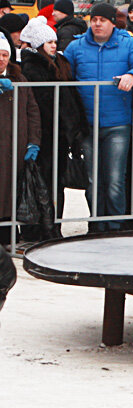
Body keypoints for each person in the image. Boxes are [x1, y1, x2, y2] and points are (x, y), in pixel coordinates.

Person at [62, 2, 133, 231]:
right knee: (93, 181)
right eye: (93, 20)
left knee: (114, 179)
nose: (97, 24)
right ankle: (96, 225)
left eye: (102, 20)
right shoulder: (77, 47)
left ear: (112, 23)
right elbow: (64, 74)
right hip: (87, 125)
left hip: (118, 125)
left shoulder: (127, 43)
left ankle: (115, 226)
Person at [19, 16, 88, 237]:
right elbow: (45, 103)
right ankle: (40, 228)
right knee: (41, 183)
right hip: (44, 134)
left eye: (55, 42)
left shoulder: (57, 63)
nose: (54, 45)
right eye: (49, 42)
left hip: (58, 133)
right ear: (38, 45)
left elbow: (68, 98)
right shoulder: (33, 68)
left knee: (55, 182)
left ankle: (52, 225)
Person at [0, 31, 42, 248]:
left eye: (5, 55)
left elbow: (32, 111)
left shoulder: (19, 78)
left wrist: (34, 140)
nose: (1, 59)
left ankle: (10, 236)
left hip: (16, 145)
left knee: (12, 190)